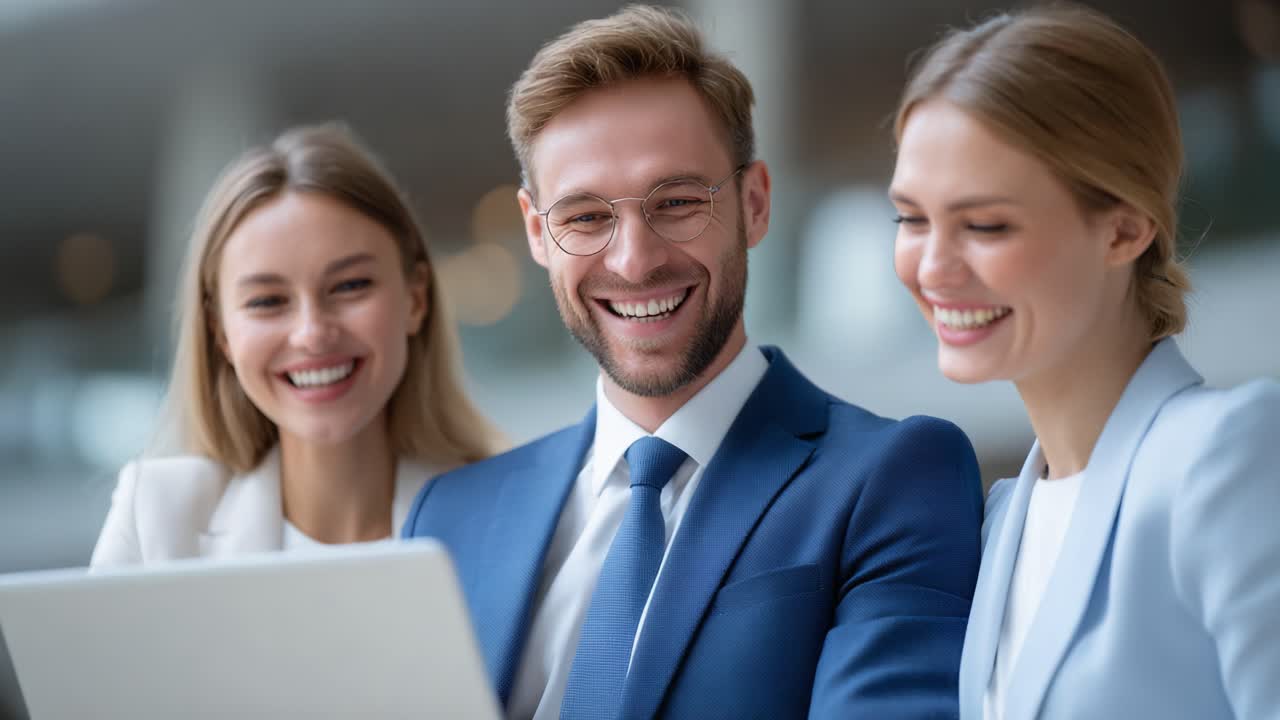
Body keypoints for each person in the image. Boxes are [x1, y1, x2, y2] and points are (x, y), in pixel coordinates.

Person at [403, 6, 982, 719]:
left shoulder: (894, 479)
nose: (633, 261)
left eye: (676, 202)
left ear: (755, 203)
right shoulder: (451, 516)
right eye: (585, 217)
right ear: (537, 233)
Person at [889, 6, 1280, 719]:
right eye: (912, 219)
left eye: (985, 224)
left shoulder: (1224, 458)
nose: (933, 267)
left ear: (1125, 229)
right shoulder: (1002, 521)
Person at [91, 124, 505, 566]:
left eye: (350, 285)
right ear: (220, 332)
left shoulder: (513, 513)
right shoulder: (154, 517)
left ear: (415, 299)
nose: (312, 333)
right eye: (267, 301)